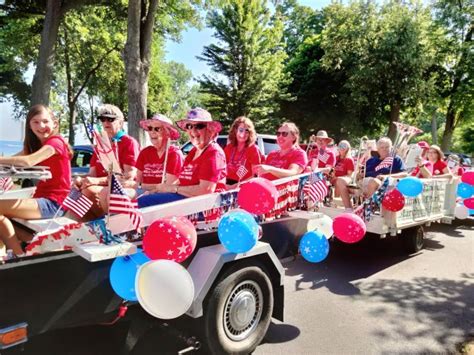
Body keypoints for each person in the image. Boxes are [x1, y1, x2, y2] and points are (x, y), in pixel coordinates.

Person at [0, 105, 72, 256]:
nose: (41, 126)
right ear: (29, 125)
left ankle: (19, 256)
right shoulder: (36, 145)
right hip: (42, 199)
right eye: (36, 122)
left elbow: (27, 161)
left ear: (54, 123)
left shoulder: (55, 142)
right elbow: (14, 160)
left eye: (45, 121)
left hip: (55, 203)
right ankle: (28, 247)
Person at [138, 108, 227, 208]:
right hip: (186, 201)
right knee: (142, 197)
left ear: (210, 130)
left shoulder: (214, 153)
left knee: (143, 202)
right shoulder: (194, 152)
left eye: (199, 126)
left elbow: (205, 190)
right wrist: (156, 190)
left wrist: (173, 189)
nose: (193, 130)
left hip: (203, 207)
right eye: (189, 126)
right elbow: (180, 181)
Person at [74, 104, 139, 219]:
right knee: (74, 189)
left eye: (110, 119)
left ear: (120, 122)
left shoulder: (128, 142)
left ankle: (98, 225)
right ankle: (81, 226)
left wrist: (96, 181)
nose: (106, 123)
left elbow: (128, 176)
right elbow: (91, 174)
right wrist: (80, 179)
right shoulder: (100, 144)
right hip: (102, 190)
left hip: (120, 189)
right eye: (102, 119)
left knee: (89, 190)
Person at [339, 137, 406, 211]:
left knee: (373, 182)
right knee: (341, 180)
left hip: (382, 185)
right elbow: (360, 173)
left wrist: (386, 176)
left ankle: (371, 210)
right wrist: (359, 174)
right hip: (362, 183)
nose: (384, 149)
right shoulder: (372, 159)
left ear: (391, 148)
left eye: (387, 147)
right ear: (377, 149)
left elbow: (404, 174)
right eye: (382, 147)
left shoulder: (396, 159)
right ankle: (349, 209)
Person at [224, 116, 262, 187]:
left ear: (250, 133)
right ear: (235, 131)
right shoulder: (229, 148)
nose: (243, 134)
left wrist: (238, 185)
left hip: (244, 186)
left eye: (247, 131)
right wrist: (224, 185)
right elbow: (221, 170)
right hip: (226, 185)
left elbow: (256, 175)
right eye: (241, 130)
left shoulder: (253, 149)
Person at [332, 141, 355, 209]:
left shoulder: (349, 160)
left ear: (347, 149)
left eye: (343, 148)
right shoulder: (336, 158)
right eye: (340, 147)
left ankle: (336, 204)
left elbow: (349, 175)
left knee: (338, 182)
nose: (341, 149)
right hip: (333, 178)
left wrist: (337, 178)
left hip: (342, 180)